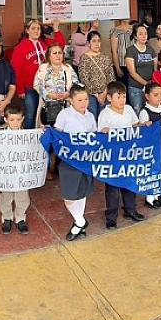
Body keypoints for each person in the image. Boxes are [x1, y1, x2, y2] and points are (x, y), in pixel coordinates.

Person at [53, 85, 98, 240]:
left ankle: (78, 225)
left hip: (86, 159)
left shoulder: (91, 116)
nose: (84, 102)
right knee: (69, 195)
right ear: (71, 100)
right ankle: (80, 221)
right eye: (79, 100)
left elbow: (94, 137)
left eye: (86, 99)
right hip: (69, 160)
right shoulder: (64, 114)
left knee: (82, 192)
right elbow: (57, 133)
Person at [97, 81, 144, 227]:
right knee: (112, 188)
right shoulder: (104, 114)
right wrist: (104, 132)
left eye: (124, 97)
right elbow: (101, 134)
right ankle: (111, 216)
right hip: (113, 157)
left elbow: (135, 125)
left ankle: (130, 209)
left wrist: (145, 126)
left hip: (129, 154)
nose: (122, 100)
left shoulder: (129, 109)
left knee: (129, 183)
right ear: (109, 98)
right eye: (118, 97)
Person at [11, 19, 65, 129]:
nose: (36, 31)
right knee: (31, 114)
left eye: (38, 28)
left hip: (47, 86)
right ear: (27, 30)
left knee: (47, 114)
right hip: (30, 87)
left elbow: (60, 45)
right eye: (33, 28)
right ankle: (30, 140)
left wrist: (56, 29)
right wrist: (20, 89)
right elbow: (16, 69)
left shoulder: (45, 44)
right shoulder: (20, 48)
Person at [0, 99, 35, 234]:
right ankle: (6, 217)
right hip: (6, 171)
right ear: (6, 119)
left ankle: (20, 218)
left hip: (22, 171)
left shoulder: (28, 135)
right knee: (6, 194)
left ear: (23, 119)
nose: (15, 123)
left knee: (22, 194)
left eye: (18, 120)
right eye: (12, 120)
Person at [138, 82, 161, 208]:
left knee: (160, 170)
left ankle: (158, 193)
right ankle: (149, 197)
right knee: (152, 171)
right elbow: (143, 131)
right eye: (155, 95)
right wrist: (154, 125)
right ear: (147, 96)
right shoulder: (145, 112)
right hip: (152, 147)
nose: (159, 97)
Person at [34, 44, 78, 127]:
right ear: (49, 56)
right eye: (55, 53)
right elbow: (37, 85)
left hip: (66, 105)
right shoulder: (43, 68)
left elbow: (76, 83)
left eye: (60, 53)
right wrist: (49, 94)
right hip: (47, 106)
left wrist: (68, 93)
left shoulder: (68, 68)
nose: (58, 55)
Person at [78, 30, 114, 118]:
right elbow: (84, 78)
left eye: (98, 41)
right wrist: (97, 95)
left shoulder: (105, 57)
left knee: (105, 119)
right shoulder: (84, 58)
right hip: (91, 95)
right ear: (88, 43)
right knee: (92, 118)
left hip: (106, 94)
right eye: (94, 41)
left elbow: (111, 75)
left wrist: (105, 92)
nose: (97, 43)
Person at [123, 25, 155, 111]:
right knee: (137, 111)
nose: (144, 36)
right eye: (140, 34)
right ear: (135, 36)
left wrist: (152, 83)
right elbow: (132, 73)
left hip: (150, 88)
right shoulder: (131, 50)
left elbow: (155, 69)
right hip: (136, 88)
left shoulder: (150, 49)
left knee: (150, 112)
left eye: (145, 33)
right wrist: (146, 84)